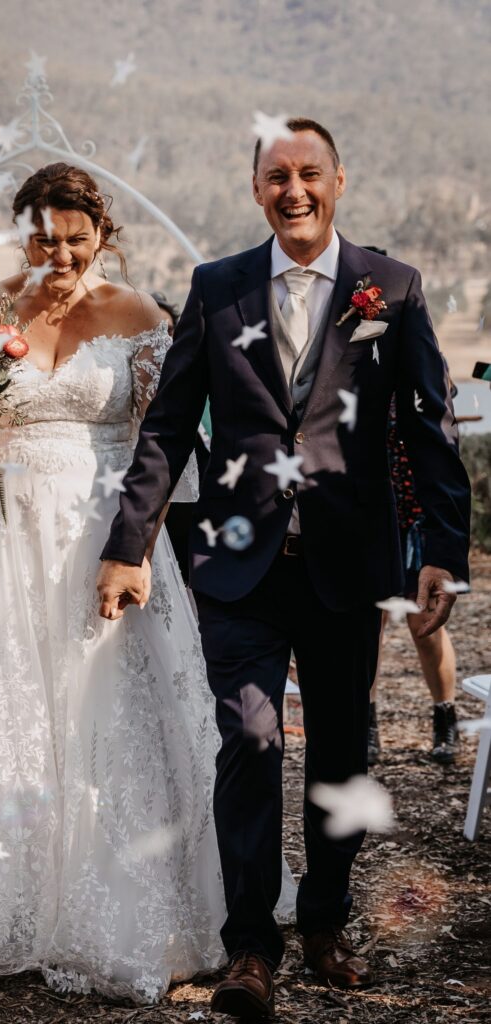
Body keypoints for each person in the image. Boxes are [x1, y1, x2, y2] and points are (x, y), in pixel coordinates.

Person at [97, 119, 471, 1020]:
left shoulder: (394, 288)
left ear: (338, 180)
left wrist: (445, 557)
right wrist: (128, 543)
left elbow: (427, 427)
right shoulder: (216, 287)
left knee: (342, 753)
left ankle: (325, 921)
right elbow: (168, 423)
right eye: (275, 176)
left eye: (308, 173)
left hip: (348, 565)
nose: (292, 189)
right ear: (254, 189)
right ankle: (250, 949)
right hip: (239, 567)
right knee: (251, 741)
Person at [0, 162, 296, 1003]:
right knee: (33, 705)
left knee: (121, 711)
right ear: (20, 230)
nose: (57, 254)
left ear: (102, 235)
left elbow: (162, 440)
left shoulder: (137, 314)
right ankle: (36, 895)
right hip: (13, 537)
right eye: (41, 237)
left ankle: (149, 908)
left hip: (107, 536)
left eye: (74, 238)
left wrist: (135, 548)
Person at [368, 393, 460, 766]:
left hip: (417, 521)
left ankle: (445, 718)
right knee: (368, 624)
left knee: (425, 622)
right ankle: (366, 725)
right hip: (370, 519)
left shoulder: (425, 372)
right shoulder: (355, 364)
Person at [152, 291, 211, 584]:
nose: (164, 340)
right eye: (156, 332)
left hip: (197, 522)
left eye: (170, 331)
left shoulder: (204, 387)